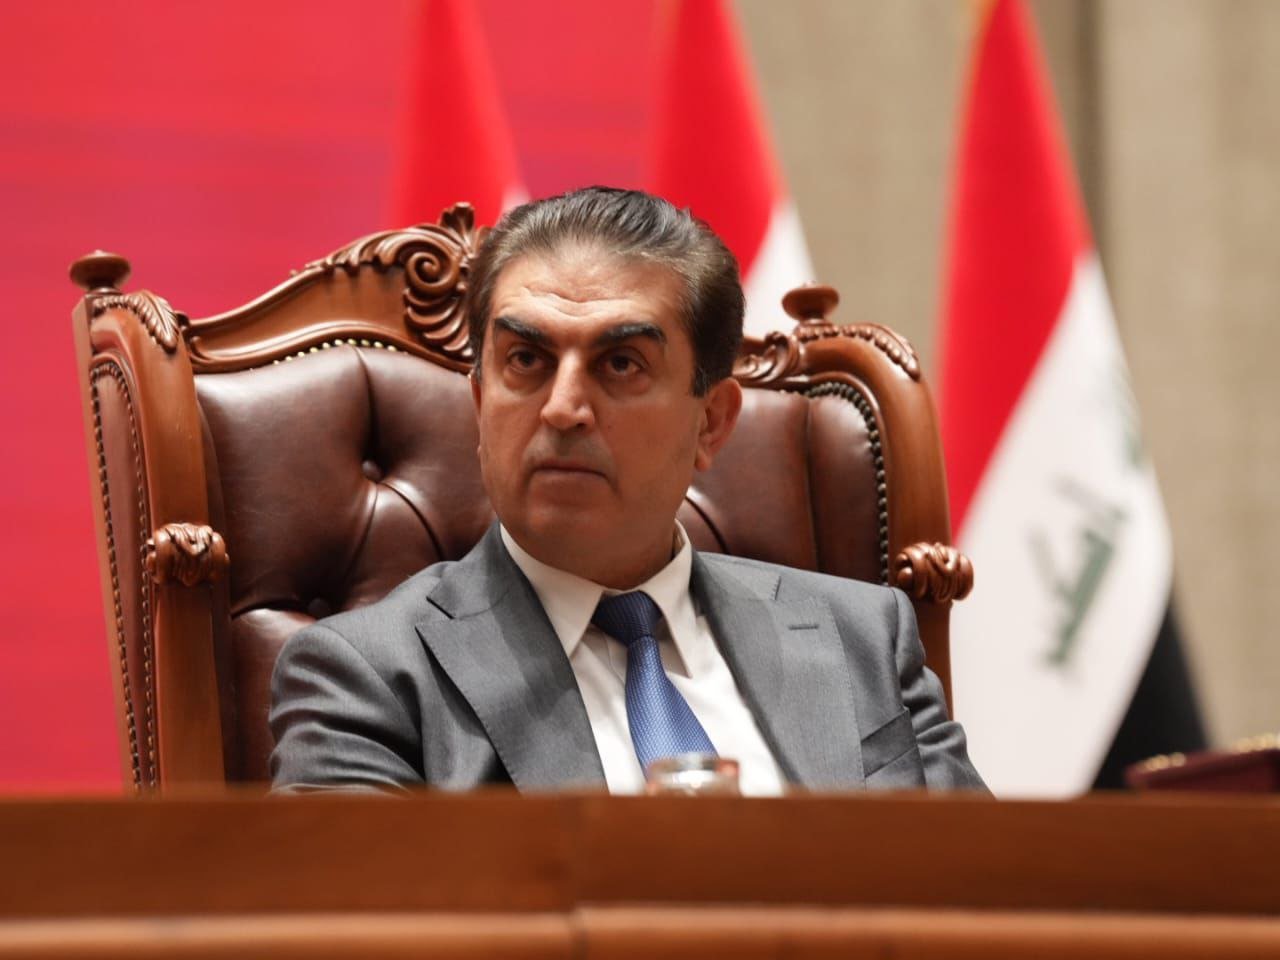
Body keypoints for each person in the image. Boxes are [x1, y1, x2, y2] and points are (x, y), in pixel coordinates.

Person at [269, 187, 984, 794]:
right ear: (480, 403)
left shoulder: (864, 639)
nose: (562, 409)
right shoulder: (365, 680)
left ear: (711, 422)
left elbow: (985, 892)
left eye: (620, 364)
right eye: (526, 360)